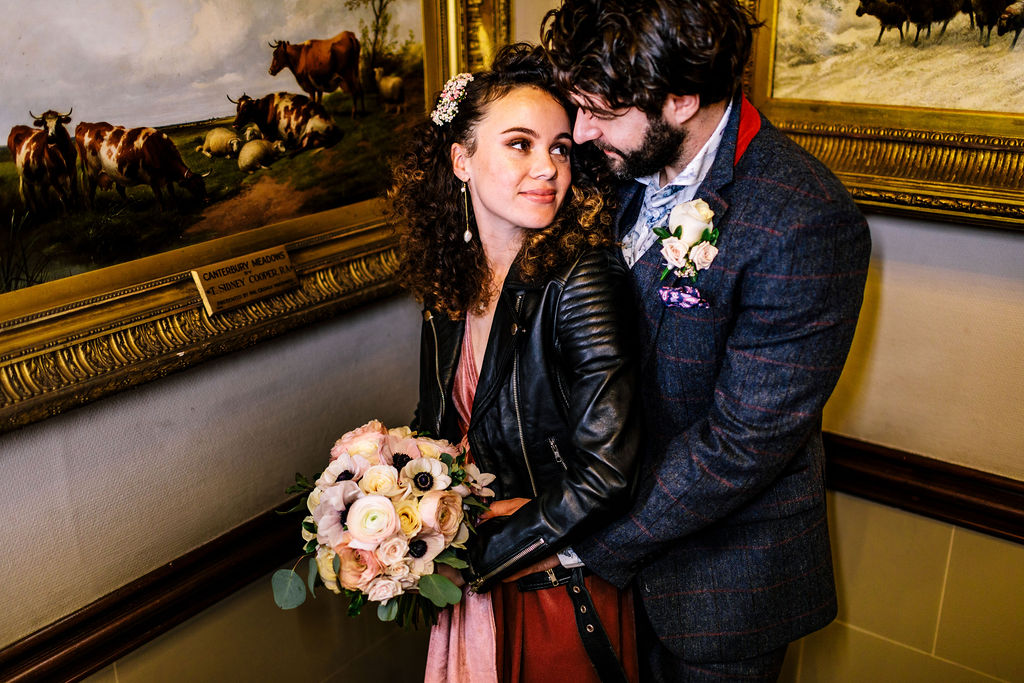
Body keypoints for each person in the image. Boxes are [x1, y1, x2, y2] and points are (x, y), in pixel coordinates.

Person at [536, 1, 873, 680]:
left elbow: (741, 441)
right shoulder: (611, 166)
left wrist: (583, 540)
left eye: (600, 110)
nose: (580, 130)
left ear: (683, 98)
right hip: (606, 562)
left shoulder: (803, 216)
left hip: (721, 592)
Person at [390, 43, 642, 683]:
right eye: (521, 144)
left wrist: (476, 555)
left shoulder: (580, 279)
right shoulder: (449, 286)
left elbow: (609, 473)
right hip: (477, 579)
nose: (549, 168)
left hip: (553, 585)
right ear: (461, 159)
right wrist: (395, 514)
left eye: (560, 147)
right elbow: (436, 430)